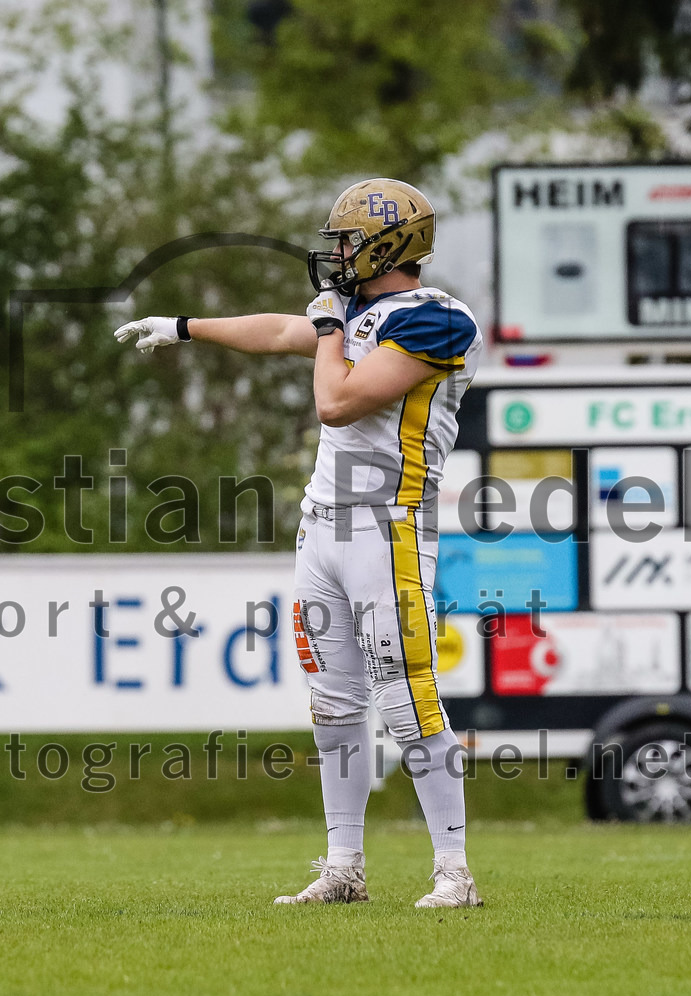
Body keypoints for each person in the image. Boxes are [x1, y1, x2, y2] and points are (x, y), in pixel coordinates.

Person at [115, 178, 483, 908]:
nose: (336, 254)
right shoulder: (354, 311)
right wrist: (186, 326)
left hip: (388, 526)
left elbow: (336, 402)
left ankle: (454, 872)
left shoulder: (437, 320)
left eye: (347, 241)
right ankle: (343, 867)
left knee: (407, 699)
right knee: (333, 705)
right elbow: (282, 331)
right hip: (323, 527)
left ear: (389, 245)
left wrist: (323, 331)